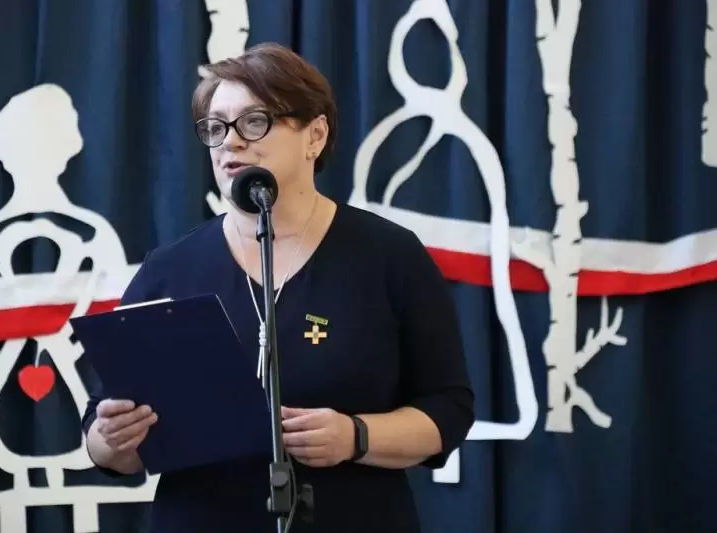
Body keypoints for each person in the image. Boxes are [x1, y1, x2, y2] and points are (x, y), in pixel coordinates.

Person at [81, 42, 474, 533]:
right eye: (216, 128)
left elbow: (448, 409)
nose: (229, 143)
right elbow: (104, 435)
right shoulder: (170, 270)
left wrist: (356, 436)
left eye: (253, 122)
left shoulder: (388, 255)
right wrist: (111, 439)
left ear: (315, 135)